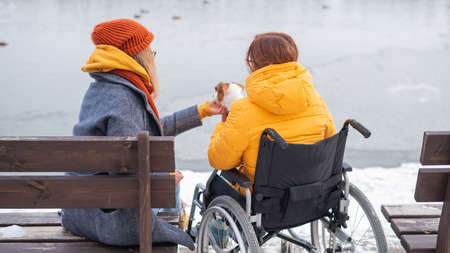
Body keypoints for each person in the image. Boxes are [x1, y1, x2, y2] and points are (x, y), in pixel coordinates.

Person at [61, 19, 223, 249]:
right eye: (151, 52)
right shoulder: (127, 100)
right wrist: (163, 181)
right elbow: (127, 177)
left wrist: (202, 111)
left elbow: (140, 137)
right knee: (171, 184)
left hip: (81, 210)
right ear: (137, 54)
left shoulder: (102, 86)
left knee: (167, 180)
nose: (153, 58)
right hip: (112, 221)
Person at [208, 32, 336, 194]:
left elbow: (219, 160)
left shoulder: (243, 109)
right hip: (310, 194)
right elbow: (328, 146)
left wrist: (223, 125)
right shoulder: (316, 101)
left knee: (211, 187)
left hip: (263, 201)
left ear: (254, 64)